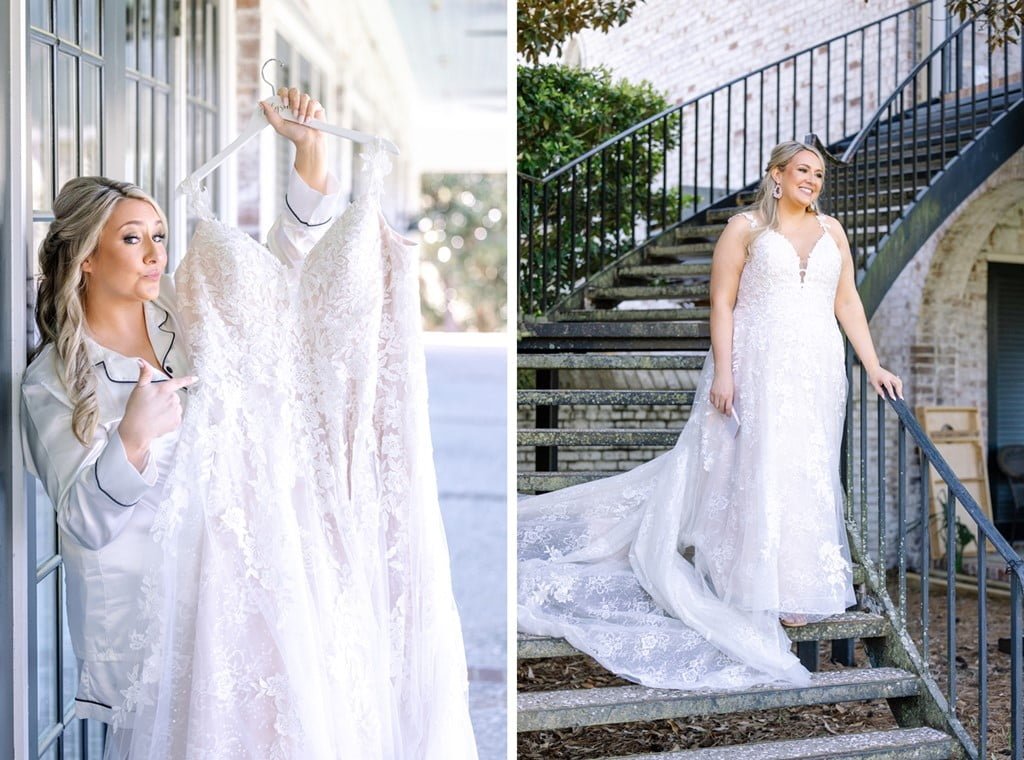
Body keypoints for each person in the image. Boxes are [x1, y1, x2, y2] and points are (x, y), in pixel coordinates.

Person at [518, 141, 904, 690]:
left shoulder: (832, 231)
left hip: (817, 368)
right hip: (757, 362)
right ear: (776, 175)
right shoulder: (743, 228)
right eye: (802, 171)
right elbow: (721, 302)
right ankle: (749, 582)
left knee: (802, 468)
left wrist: (872, 364)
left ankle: (797, 585)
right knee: (756, 465)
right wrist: (725, 372)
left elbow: (847, 303)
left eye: (818, 174)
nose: (812, 181)